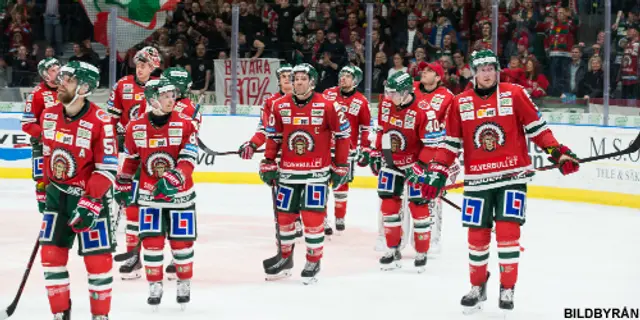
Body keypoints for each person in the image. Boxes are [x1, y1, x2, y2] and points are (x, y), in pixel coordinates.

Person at [415, 50, 580, 313]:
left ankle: (507, 287)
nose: (487, 73)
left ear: (497, 70)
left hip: (511, 179)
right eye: (482, 69)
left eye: (491, 68)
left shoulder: (514, 94)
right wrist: (437, 173)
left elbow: (538, 129)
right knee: (477, 238)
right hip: (477, 182)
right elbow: (450, 144)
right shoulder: (460, 103)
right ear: (473, 72)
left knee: (507, 234)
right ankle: (478, 286)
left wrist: (557, 152)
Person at [259, 63, 351, 284]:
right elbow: (274, 137)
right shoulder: (280, 105)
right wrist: (269, 161)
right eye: (295, 78)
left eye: (302, 78)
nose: (297, 82)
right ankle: (285, 257)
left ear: (312, 82)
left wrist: (340, 165)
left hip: (317, 172)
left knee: (312, 218)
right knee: (284, 217)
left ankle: (313, 259)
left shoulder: (329, 105)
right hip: (288, 172)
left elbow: (342, 136)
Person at [39, 61, 116, 320]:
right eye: (60, 77)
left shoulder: (101, 121)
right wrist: (42, 188)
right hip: (56, 197)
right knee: (50, 254)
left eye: (68, 79)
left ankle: (100, 316)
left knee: (98, 261)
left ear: (83, 87)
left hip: (89, 199)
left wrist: (90, 202)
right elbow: (43, 153)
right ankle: (60, 313)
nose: (60, 82)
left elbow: (107, 168)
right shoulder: (49, 114)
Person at [116, 78, 199, 309]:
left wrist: (175, 178)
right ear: (152, 99)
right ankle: (154, 284)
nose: (172, 99)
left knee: (182, 243)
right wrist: (123, 182)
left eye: (173, 95)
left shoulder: (185, 123)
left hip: (180, 195)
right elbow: (131, 160)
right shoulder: (135, 127)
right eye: (166, 96)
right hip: (149, 195)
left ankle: (184, 282)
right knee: (152, 243)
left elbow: (189, 158)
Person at [370, 71, 434, 272]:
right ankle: (392, 248)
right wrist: (376, 150)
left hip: (415, 164)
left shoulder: (424, 111)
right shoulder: (387, 104)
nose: (389, 97)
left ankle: (422, 252)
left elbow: (432, 145)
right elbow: (381, 129)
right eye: (388, 92)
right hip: (391, 161)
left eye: (394, 92)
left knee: (418, 206)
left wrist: (421, 166)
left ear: (406, 92)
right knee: (388, 205)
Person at [107, 46, 161, 280]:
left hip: (153, 156)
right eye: (138, 64)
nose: (140, 69)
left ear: (154, 67)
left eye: (145, 65)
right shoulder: (122, 85)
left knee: (155, 206)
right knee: (130, 201)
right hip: (130, 153)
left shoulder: (162, 87)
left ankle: (158, 252)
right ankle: (132, 255)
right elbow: (112, 117)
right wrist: (114, 137)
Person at [410, 62, 459, 253]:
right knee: (411, 198)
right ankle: (411, 238)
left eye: (430, 71)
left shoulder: (448, 97)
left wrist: (444, 161)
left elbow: (450, 131)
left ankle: (434, 238)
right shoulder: (412, 89)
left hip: (435, 154)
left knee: (432, 197)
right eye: (424, 69)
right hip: (411, 153)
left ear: (438, 77)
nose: (424, 72)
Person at [322, 65, 371, 234]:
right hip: (325, 147)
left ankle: (340, 216)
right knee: (321, 183)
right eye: (342, 75)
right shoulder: (328, 94)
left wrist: (365, 148)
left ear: (355, 80)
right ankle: (323, 219)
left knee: (341, 184)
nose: (343, 78)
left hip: (346, 150)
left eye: (348, 76)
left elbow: (366, 128)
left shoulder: (362, 101)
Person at [21, 57, 61, 215]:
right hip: (42, 144)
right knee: (41, 178)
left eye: (59, 68)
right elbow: (27, 124)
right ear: (45, 75)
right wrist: (46, 135)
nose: (58, 72)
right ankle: (45, 211)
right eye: (53, 70)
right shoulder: (37, 94)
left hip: (64, 144)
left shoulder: (68, 89)